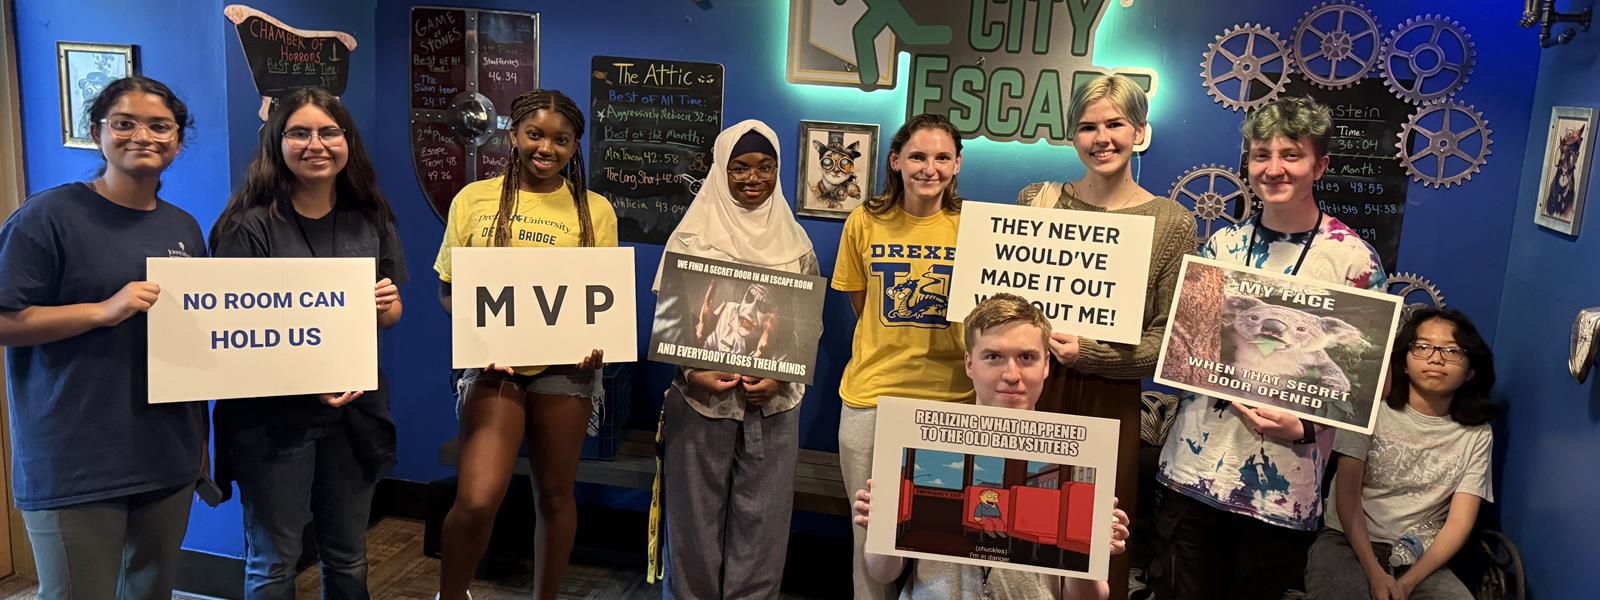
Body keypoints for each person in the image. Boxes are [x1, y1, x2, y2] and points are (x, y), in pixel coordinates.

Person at [1151, 95, 1389, 600]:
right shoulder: (1222, 247)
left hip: (1282, 490)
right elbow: (1191, 347)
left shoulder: (1353, 261)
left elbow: (1373, 380)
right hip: (1193, 473)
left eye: (1290, 154)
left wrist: (1307, 425)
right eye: (1261, 155)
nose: (1273, 168)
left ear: (1319, 165)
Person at [0, 76, 208, 600]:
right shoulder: (47, 216)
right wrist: (102, 311)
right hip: (75, 456)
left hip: (166, 450)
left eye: (160, 126)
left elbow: (197, 339)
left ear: (178, 140)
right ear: (97, 134)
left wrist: (200, 443)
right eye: (124, 123)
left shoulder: (183, 227)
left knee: (151, 591)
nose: (143, 135)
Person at [209, 87, 408, 599]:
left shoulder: (372, 218)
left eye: (328, 132)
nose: (315, 144)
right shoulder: (246, 227)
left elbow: (392, 314)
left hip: (354, 412)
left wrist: (386, 308)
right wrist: (308, 382)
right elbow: (238, 335)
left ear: (347, 143)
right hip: (270, 419)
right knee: (274, 561)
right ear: (278, 143)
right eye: (299, 132)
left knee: (348, 556)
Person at [1016, 73, 1196, 600]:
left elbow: (1172, 340)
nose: (1102, 138)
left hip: (1107, 402)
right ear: (1072, 136)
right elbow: (1005, 299)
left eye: (1116, 123)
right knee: (1014, 527)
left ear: (1140, 130)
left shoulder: (1171, 221)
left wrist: (1090, 354)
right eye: (1087, 126)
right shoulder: (1039, 199)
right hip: (1031, 393)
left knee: (1094, 541)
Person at [434, 89, 617, 600]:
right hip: (495, 366)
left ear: (575, 146)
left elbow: (600, 297)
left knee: (555, 495)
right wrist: (478, 332)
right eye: (535, 134)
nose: (547, 148)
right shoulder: (472, 199)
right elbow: (449, 290)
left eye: (561, 140)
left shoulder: (596, 210)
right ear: (513, 135)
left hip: (567, 368)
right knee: (476, 498)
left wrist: (598, 341)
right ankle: (450, 594)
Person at [851, 293, 1131, 599]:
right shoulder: (917, 438)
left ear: (1047, 364)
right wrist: (879, 527)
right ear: (970, 363)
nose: (1011, 375)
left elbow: (1088, 597)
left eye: (1026, 357)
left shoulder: (1081, 454)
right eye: (993, 357)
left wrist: (1092, 550)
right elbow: (883, 571)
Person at [654, 119, 818, 599]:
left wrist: (782, 381)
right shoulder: (690, 239)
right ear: (720, 171)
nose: (753, 179)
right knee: (692, 525)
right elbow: (670, 322)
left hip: (773, 409)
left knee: (763, 528)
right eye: (740, 168)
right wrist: (693, 370)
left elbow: (807, 326)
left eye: (765, 167)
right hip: (700, 406)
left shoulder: (797, 245)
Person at [833, 113, 972, 600]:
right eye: (917, 156)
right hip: (872, 399)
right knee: (872, 537)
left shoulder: (973, 228)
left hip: (952, 402)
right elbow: (860, 305)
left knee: (942, 544)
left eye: (940, 157)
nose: (928, 168)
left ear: (956, 165)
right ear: (896, 161)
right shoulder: (864, 220)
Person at [1304, 308, 1497, 600]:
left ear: (1471, 371)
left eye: (1452, 351)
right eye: (1422, 347)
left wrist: (1406, 584)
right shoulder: (1371, 410)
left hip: (1420, 557)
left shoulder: (1477, 434)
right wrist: (1374, 573)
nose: (1435, 358)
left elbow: (1459, 523)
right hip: (1347, 543)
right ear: (1404, 362)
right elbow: (1347, 498)